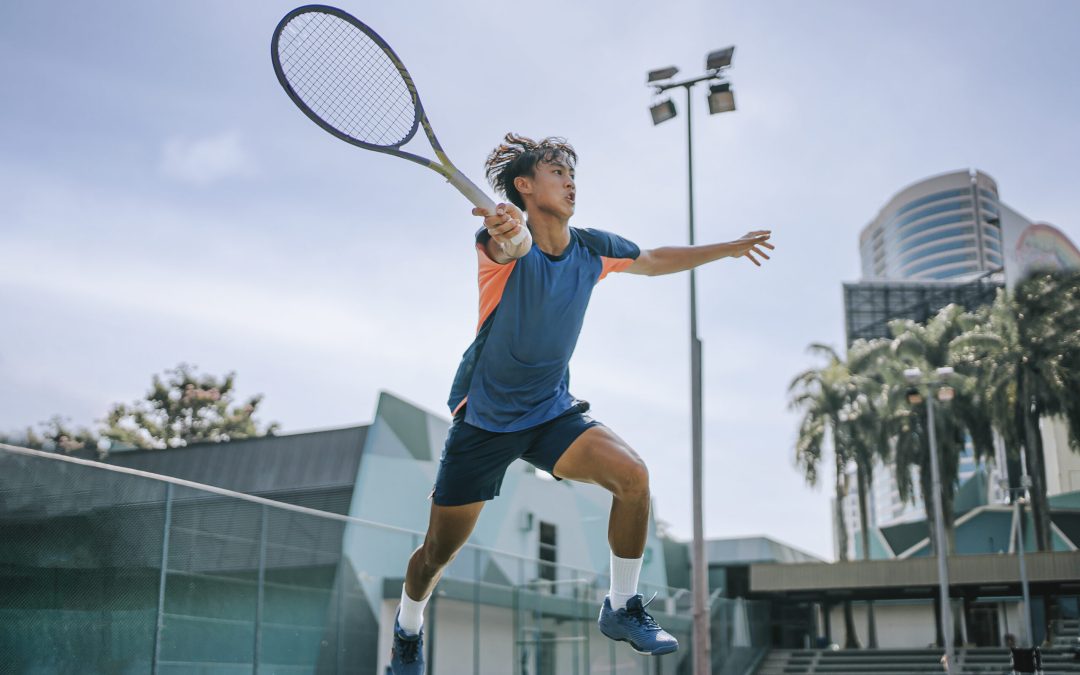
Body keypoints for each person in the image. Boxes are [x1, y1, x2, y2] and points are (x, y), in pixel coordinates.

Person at [389, 133, 774, 673]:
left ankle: (621, 606)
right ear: (525, 186)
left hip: (550, 413)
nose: (570, 182)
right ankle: (408, 626)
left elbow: (656, 258)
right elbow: (511, 245)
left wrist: (727, 248)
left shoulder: (593, 248)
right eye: (556, 172)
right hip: (485, 422)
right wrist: (508, 231)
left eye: (572, 174)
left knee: (633, 477)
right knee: (436, 554)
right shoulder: (499, 243)